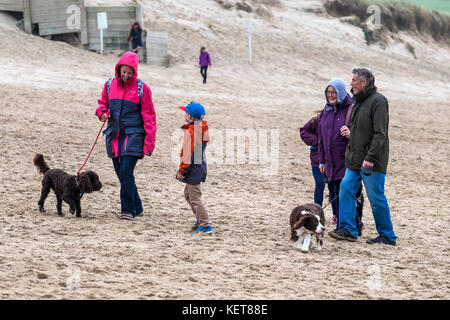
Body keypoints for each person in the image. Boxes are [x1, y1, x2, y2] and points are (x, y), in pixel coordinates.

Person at [329, 68, 397, 246]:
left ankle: (387, 235)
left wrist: (370, 158)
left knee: (376, 197)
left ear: (363, 82)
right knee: (346, 188)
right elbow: (359, 132)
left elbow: (380, 134)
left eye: (353, 80)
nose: (350, 84)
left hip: (371, 161)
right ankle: (348, 229)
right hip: (355, 159)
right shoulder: (358, 101)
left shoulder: (379, 102)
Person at [95, 51, 157, 220]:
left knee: (125, 173)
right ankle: (137, 206)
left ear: (135, 72)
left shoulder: (142, 89)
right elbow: (102, 104)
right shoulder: (109, 84)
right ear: (119, 69)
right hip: (114, 136)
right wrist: (102, 113)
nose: (126, 75)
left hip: (134, 136)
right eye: (124, 72)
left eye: (130, 73)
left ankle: (128, 210)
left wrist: (149, 144)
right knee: (124, 175)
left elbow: (149, 116)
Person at [317, 78, 364, 234]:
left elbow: (363, 135)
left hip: (346, 161)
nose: (331, 95)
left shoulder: (352, 109)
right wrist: (321, 161)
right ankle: (341, 226)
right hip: (330, 163)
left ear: (341, 93)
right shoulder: (326, 110)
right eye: (328, 92)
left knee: (345, 195)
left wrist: (351, 134)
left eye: (334, 92)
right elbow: (321, 138)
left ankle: (354, 225)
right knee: (334, 195)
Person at [176, 101, 212, 234]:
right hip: (199, 166)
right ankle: (200, 218)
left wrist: (182, 171)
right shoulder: (201, 127)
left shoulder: (192, 132)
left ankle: (205, 225)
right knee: (188, 194)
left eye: (186, 113)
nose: (184, 114)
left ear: (190, 117)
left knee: (195, 197)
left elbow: (187, 153)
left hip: (193, 168)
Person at [300, 112, 325, 207]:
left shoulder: (344, 117)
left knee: (333, 187)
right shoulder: (319, 118)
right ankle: (317, 210)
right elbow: (304, 131)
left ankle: (336, 214)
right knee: (319, 183)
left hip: (335, 159)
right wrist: (318, 141)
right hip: (317, 158)